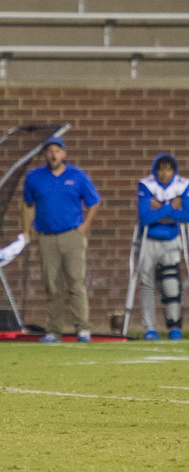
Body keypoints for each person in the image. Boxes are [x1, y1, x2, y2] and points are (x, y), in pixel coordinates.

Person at [21, 136, 101, 343]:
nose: (53, 154)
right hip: (46, 237)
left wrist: (84, 227)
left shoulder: (77, 176)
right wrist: (27, 232)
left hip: (72, 236)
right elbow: (27, 205)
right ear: (44, 154)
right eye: (49, 150)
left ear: (64, 153)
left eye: (57, 150)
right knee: (52, 285)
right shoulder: (34, 178)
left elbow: (94, 202)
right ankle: (54, 331)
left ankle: (83, 329)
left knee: (75, 282)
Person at [136, 154, 189, 341]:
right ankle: (150, 328)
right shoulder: (146, 184)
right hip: (149, 241)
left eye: (168, 168)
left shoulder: (182, 184)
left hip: (171, 241)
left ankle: (174, 327)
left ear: (174, 170)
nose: (164, 173)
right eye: (161, 168)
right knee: (147, 284)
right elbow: (145, 217)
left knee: (171, 285)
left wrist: (159, 208)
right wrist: (170, 207)